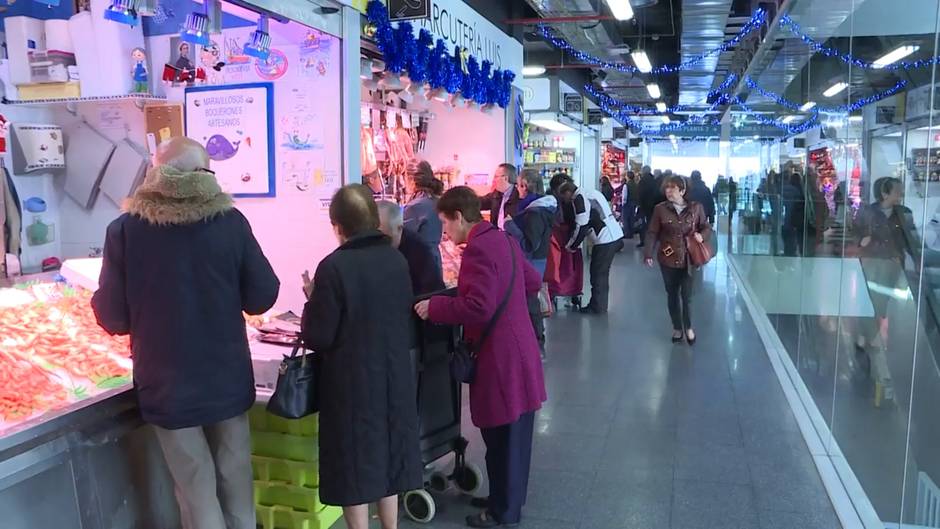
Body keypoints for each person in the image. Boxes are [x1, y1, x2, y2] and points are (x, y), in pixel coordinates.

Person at [91, 137, 280, 529]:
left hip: (166, 383)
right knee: (235, 477)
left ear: (155, 174)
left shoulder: (124, 231)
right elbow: (263, 296)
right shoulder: (230, 223)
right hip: (225, 376)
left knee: (195, 487)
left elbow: (112, 317)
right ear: (204, 175)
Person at [413, 187, 546, 528]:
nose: (445, 232)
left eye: (445, 223)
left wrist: (437, 306)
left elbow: (479, 307)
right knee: (513, 439)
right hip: (520, 353)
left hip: (500, 359)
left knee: (503, 440)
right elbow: (531, 280)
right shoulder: (502, 239)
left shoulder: (478, 249)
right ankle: (506, 499)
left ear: (459, 216)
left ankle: (503, 512)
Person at [301, 184, 421, 529]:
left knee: (354, 465)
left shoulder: (334, 268)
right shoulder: (396, 260)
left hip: (351, 382)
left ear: (338, 225)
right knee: (389, 455)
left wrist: (313, 299)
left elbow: (319, 335)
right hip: (393, 374)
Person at [853, 177, 916, 404]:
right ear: (884, 194)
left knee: (889, 313)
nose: (900, 195)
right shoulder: (868, 212)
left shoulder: (904, 213)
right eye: (897, 191)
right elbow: (855, 234)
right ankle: (879, 366)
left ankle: (873, 348)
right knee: (874, 310)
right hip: (872, 266)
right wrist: (862, 241)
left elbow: (912, 240)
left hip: (893, 267)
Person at [644, 175, 712, 345]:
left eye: (673, 188)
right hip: (668, 257)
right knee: (672, 294)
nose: (669, 192)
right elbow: (652, 232)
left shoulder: (696, 208)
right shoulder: (660, 209)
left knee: (687, 295)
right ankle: (677, 327)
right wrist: (648, 253)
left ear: (682, 190)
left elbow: (706, 227)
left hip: (689, 258)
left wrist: (701, 236)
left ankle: (688, 327)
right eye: (667, 188)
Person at [505, 168, 557, 359]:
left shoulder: (534, 213)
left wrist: (510, 225)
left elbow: (529, 245)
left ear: (525, 186)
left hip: (532, 262)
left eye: (518, 185)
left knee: (529, 301)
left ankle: (536, 342)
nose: (517, 190)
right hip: (537, 261)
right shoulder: (541, 208)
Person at [557, 179, 624, 315]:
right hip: (613, 234)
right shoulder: (591, 192)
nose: (565, 200)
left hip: (604, 239)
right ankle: (599, 305)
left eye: (564, 197)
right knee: (602, 273)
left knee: (597, 274)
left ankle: (597, 307)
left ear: (569, 192)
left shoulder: (579, 198)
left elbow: (581, 226)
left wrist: (571, 246)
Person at [377, 200, 445, 296]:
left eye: (385, 237)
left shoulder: (419, 250)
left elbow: (434, 291)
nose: (378, 243)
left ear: (399, 228)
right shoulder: (365, 247)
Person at [545, 173, 584, 308]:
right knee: (570, 265)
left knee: (561, 264)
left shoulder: (554, 197)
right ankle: (570, 290)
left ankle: (561, 290)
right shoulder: (572, 196)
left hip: (563, 235)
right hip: (566, 235)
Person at [402, 159, 444, 273]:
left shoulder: (415, 206)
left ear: (411, 179)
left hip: (421, 263)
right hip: (434, 258)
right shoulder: (435, 200)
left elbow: (403, 238)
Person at [481, 163, 521, 229]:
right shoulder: (496, 194)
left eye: (496, 177)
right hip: (497, 235)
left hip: (511, 237)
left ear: (505, 178)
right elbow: (480, 202)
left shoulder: (519, 196)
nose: (494, 180)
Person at [781, 172, 806, 257]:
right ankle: (792, 255)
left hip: (784, 219)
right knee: (793, 240)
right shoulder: (798, 192)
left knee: (786, 240)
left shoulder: (783, 189)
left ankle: (786, 253)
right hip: (795, 220)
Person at [636, 166, 657, 248]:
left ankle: (643, 240)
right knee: (651, 224)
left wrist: (639, 204)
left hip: (644, 206)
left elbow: (640, 194)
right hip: (653, 206)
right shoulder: (654, 180)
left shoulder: (643, 181)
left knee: (643, 224)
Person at [621, 170, 639, 239]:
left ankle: (627, 233)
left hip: (627, 203)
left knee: (625, 219)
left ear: (627, 176)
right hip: (634, 203)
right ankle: (631, 233)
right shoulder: (636, 184)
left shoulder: (626, 185)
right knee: (631, 219)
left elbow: (624, 196)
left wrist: (623, 204)